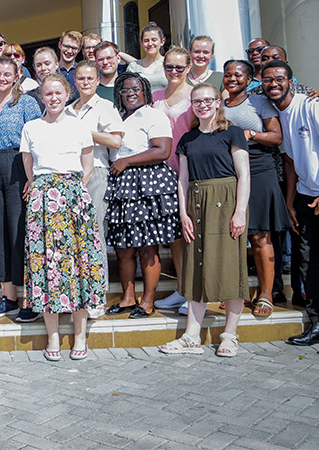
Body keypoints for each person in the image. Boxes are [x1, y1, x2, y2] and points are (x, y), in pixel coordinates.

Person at [262, 60, 319, 355]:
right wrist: (291, 201)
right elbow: (290, 161)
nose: (273, 84)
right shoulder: (278, 114)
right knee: (306, 261)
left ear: (291, 80)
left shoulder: (314, 105)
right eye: (267, 80)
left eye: (279, 78)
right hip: (305, 195)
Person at [159, 83, 250, 357]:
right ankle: (191, 337)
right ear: (192, 106)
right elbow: (183, 179)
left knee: (230, 267)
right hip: (196, 205)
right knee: (195, 268)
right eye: (197, 101)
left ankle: (230, 335)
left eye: (208, 100)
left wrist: (240, 212)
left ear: (217, 102)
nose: (203, 105)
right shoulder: (187, 138)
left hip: (226, 202)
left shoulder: (232, 133)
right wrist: (183, 213)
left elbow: (244, 175)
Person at [21, 75, 106, 361]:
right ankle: (53, 337)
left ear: (67, 94)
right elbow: (29, 167)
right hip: (43, 199)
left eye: (58, 92)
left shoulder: (79, 126)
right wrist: (44, 191)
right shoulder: (31, 127)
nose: (53, 97)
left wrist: (72, 191)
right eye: (48, 93)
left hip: (73, 198)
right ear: (41, 97)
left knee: (80, 264)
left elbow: (87, 166)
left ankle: (80, 335)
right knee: (46, 266)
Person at [104, 73, 180, 319]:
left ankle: (147, 301)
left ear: (145, 91)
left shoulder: (154, 115)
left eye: (136, 88)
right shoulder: (117, 116)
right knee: (123, 247)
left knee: (148, 246)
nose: (131, 93)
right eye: (125, 90)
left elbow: (162, 150)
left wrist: (126, 161)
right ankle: (128, 298)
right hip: (122, 185)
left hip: (148, 184)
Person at [222, 59, 290, 317]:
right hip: (229, 172)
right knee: (234, 235)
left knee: (260, 236)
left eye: (238, 75)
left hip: (259, 169)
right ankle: (235, 292)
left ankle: (266, 294)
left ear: (249, 80)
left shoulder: (259, 102)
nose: (232, 79)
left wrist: (251, 135)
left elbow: (276, 136)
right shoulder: (219, 105)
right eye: (228, 75)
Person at [0, 57, 42, 321]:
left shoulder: (27, 103)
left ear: (17, 77)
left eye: (7, 74)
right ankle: (9, 297)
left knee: (19, 232)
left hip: (19, 165)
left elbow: (38, 138)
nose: (1, 78)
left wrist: (32, 176)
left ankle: (30, 298)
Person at [66, 60, 123, 300]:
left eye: (90, 78)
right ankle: (75, 290)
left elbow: (115, 141)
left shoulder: (105, 106)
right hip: (69, 174)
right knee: (71, 234)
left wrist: (83, 132)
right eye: (81, 78)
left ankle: (97, 293)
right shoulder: (68, 109)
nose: (85, 82)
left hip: (97, 172)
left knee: (94, 233)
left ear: (98, 80)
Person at [151, 46, 195, 314]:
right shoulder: (155, 96)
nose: (174, 71)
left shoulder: (195, 96)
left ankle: (194, 292)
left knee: (192, 235)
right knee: (176, 236)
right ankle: (181, 289)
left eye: (180, 67)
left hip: (189, 172)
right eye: (169, 66)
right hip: (162, 173)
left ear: (188, 68)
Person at [120, 22, 168, 92]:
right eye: (146, 41)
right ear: (141, 43)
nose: (150, 44)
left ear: (162, 41)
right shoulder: (133, 67)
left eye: (154, 40)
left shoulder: (169, 64)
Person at [29, 47, 77, 111]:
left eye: (47, 63)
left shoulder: (71, 93)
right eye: (38, 65)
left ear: (57, 64)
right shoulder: (31, 97)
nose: (43, 68)